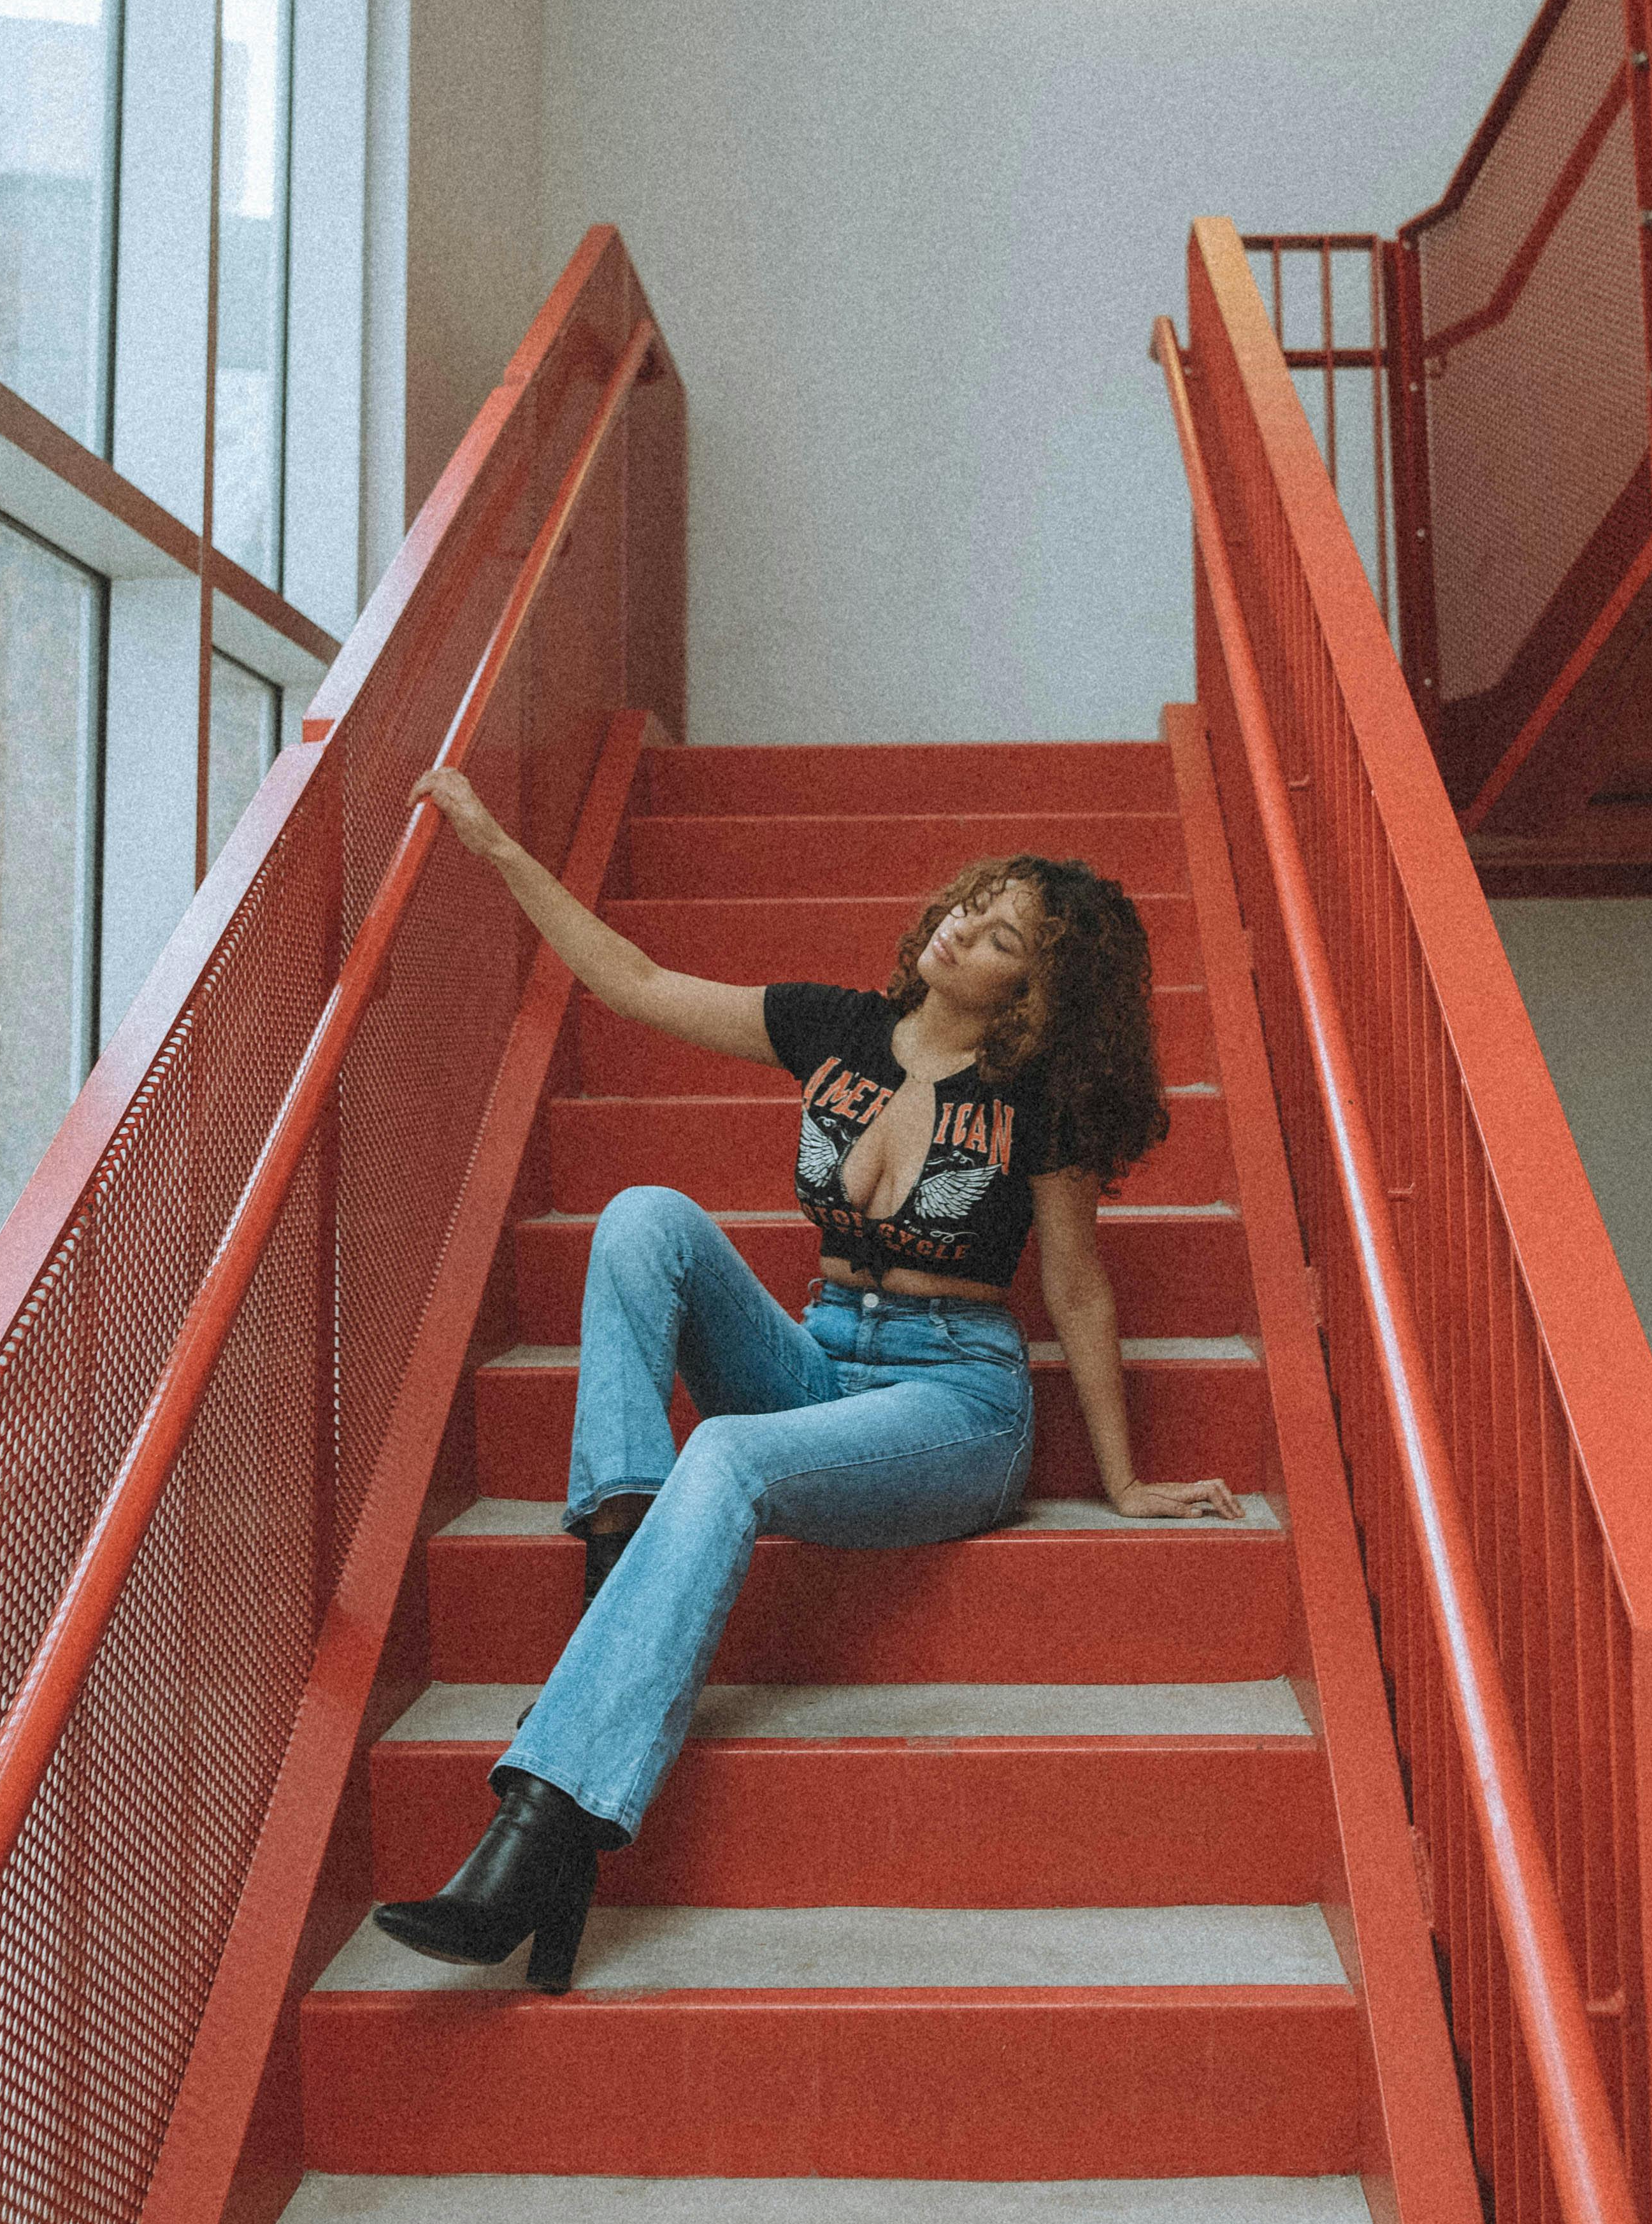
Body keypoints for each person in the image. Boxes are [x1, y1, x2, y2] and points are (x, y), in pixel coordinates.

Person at [371, 766, 1244, 1991]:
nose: (960, 928)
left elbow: (1077, 1286)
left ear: (1033, 992)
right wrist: (501, 850)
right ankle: (620, 1557)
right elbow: (637, 981)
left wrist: (1127, 1478)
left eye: (999, 937)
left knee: (721, 1453)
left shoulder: (1033, 1099)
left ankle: (541, 1830)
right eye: (971, 904)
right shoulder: (836, 1028)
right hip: (823, 1353)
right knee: (641, 1216)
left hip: (954, 1402)